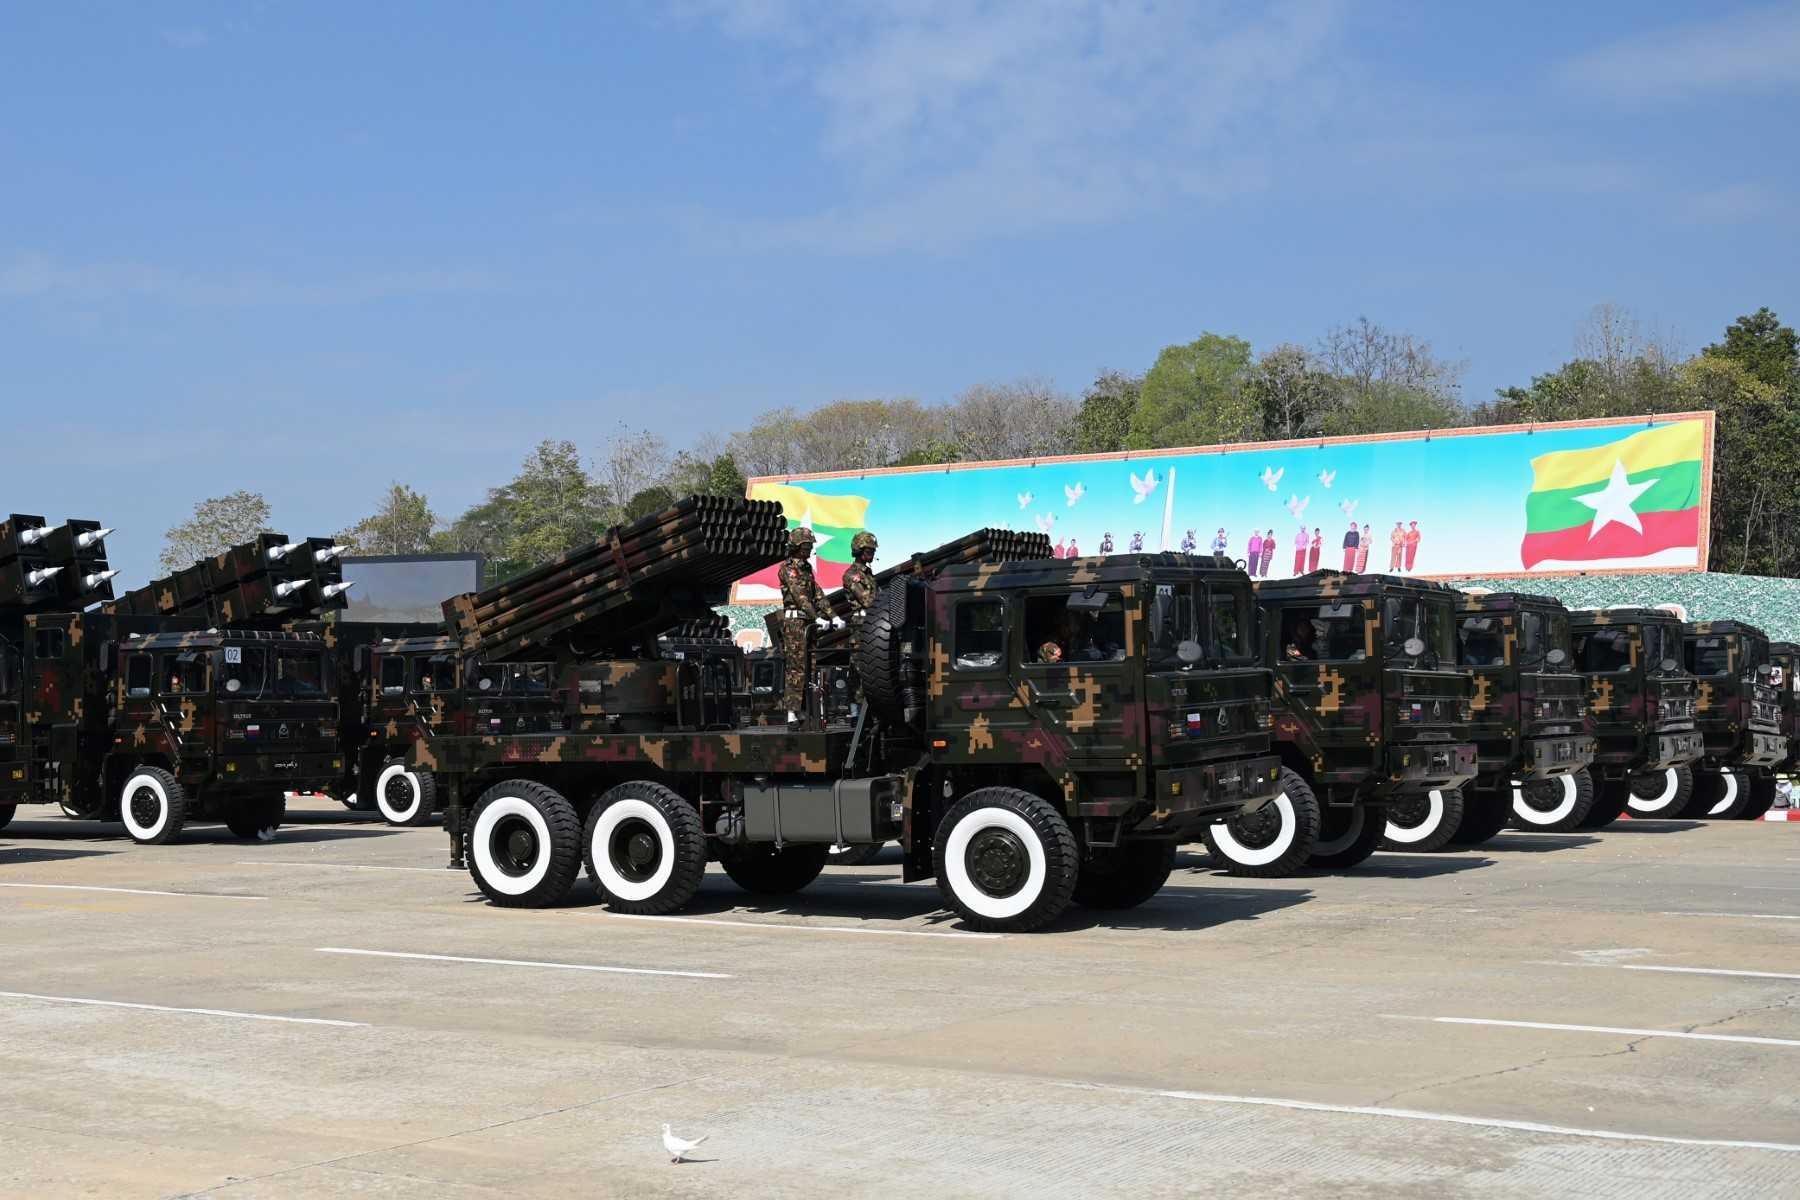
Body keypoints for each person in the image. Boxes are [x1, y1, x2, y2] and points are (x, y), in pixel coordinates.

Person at [778, 527, 841, 726]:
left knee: (810, 665)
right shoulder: (788, 569)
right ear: (796, 546)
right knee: (796, 667)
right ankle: (791, 712)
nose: (809, 549)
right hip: (795, 622)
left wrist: (833, 616)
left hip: (807, 623)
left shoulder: (806, 569)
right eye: (806, 545)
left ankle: (804, 709)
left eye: (810, 545)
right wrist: (816, 617)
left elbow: (819, 596)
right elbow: (800, 597)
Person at [840, 531, 879, 656]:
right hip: (861, 626)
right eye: (869, 551)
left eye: (873, 551)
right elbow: (868, 601)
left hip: (872, 623)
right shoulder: (851, 575)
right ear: (859, 551)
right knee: (860, 667)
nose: (872, 554)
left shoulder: (867, 573)